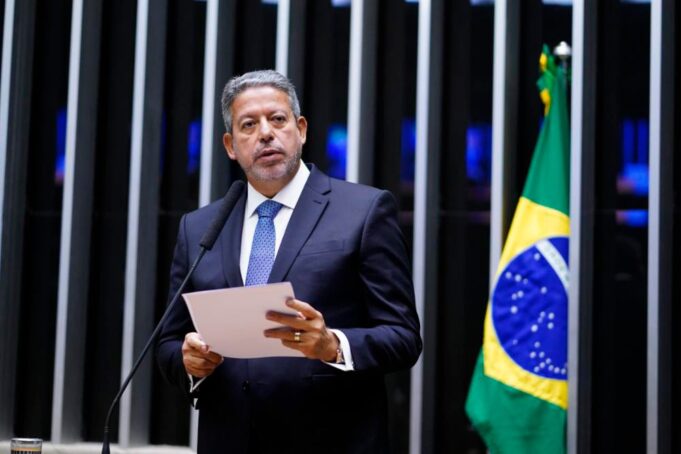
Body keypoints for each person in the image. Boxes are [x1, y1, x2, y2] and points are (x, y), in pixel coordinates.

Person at [157, 70, 422, 453]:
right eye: (249, 125)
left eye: (277, 119)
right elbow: (168, 342)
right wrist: (188, 361)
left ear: (301, 129)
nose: (265, 133)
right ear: (231, 145)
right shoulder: (199, 227)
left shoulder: (363, 211)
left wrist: (333, 345)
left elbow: (403, 337)